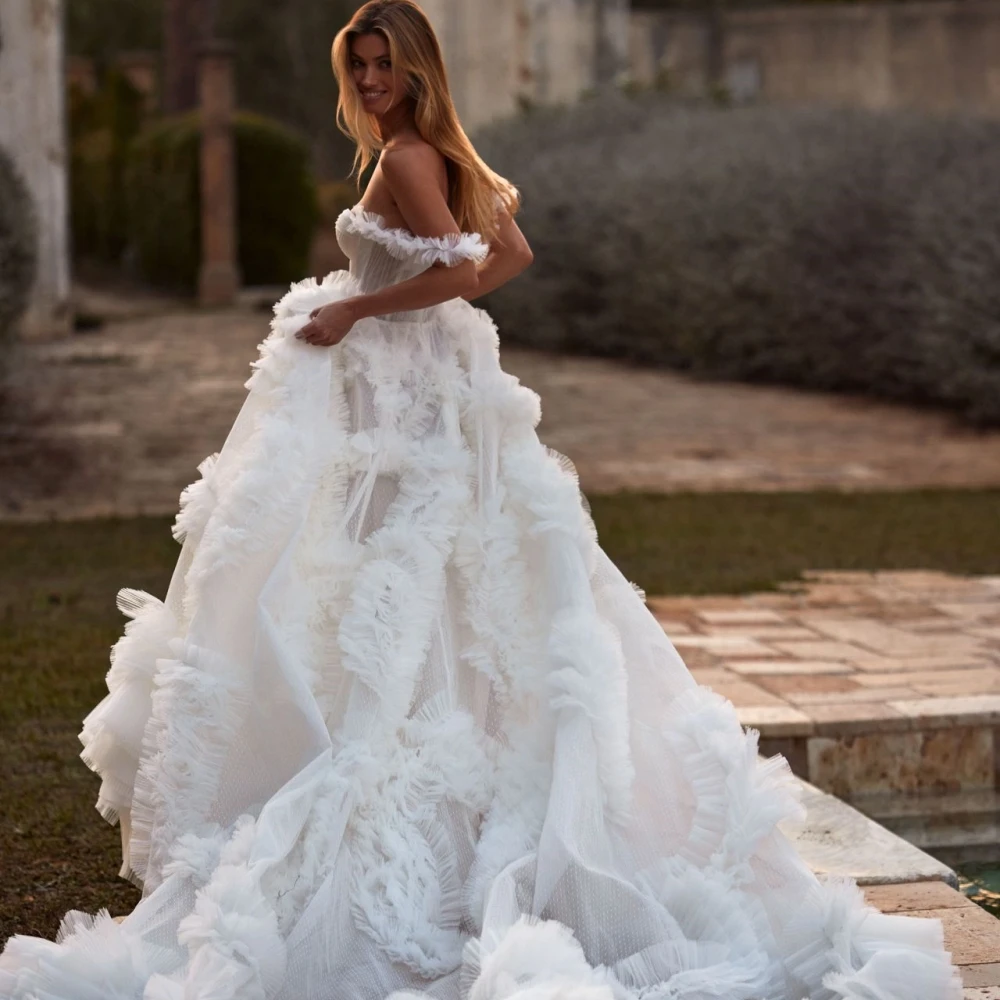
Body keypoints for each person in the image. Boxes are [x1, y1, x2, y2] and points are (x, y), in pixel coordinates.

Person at [0, 2, 962, 998]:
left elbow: (462, 268)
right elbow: (505, 257)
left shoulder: (413, 158)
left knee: (397, 597)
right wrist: (400, 311)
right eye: (359, 63)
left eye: (383, 63)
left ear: (416, 69)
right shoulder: (432, 151)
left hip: (406, 411)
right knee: (429, 599)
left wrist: (359, 307)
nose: (369, 79)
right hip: (414, 403)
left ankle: (411, 813)